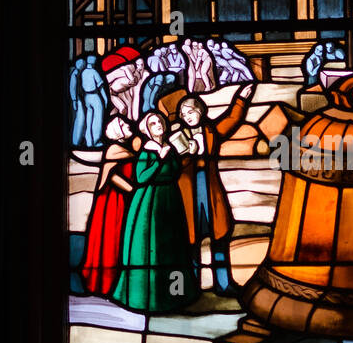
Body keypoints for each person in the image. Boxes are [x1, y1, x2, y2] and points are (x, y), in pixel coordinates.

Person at [169, 82, 254, 296]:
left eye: (190, 111)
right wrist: (184, 153)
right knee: (190, 245)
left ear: (200, 111)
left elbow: (232, 120)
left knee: (219, 240)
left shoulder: (211, 131)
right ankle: (189, 288)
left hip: (209, 189)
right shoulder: (177, 138)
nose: (186, 116)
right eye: (182, 113)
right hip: (188, 194)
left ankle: (224, 284)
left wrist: (241, 99)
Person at [111, 111, 197, 313]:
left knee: (172, 247)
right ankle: (144, 298)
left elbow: (176, 170)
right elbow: (141, 178)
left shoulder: (169, 147)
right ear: (147, 129)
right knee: (148, 247)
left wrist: (182, 154)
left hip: (170, 199)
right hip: (149, 202)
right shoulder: (147, 151)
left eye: (160, 121)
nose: (158, 124)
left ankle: (175, 295)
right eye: (153, 123)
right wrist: (159, 159)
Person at [80, 116, 139, 296]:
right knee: (111, 238)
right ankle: (106, 283)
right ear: (117, 132)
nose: (127, 125)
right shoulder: (114, 149)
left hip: (122, 200)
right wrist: (133, 191)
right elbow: (112, 177)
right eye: (122, 124)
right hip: (112, 202)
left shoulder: (125, 148)